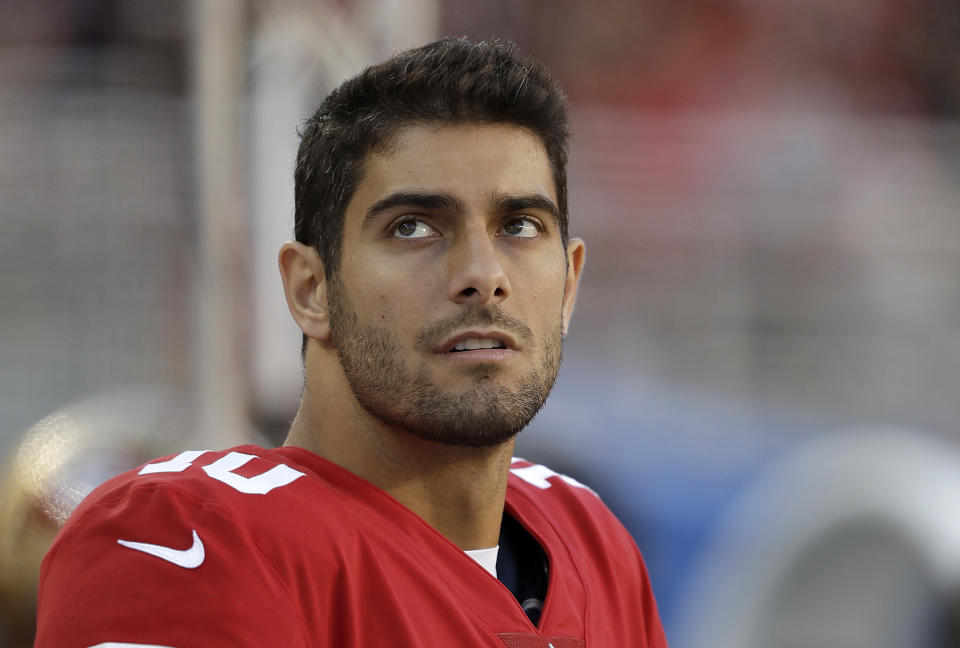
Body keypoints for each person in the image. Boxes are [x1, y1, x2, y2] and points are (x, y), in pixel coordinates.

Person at [35, 38, 668, 647]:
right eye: (414, 227)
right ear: (312, 289)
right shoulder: (189, 532)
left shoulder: (593, 538)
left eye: (520, 226)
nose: (484, 275)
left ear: (568, 284)